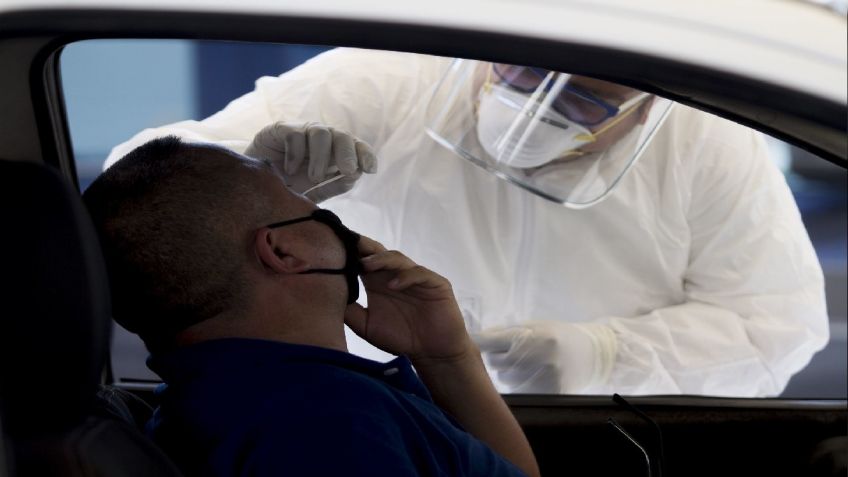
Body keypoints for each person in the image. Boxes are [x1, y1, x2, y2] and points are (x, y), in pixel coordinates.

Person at [106, 48, 829, 397]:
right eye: (518, 72)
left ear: (645, 103)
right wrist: (247, 170)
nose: (536, 104)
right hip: (367, 400)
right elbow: (140, 175)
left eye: (584, 102)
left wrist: (604, 354)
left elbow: (778, 325)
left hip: (593, 429)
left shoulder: (705, 141)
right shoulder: (385, 78)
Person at [83, 137, 540, 477]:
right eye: (301, 201)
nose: (327, 215)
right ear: (283, 252)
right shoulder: (327, 423)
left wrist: (446, 358)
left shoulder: (226, 399)